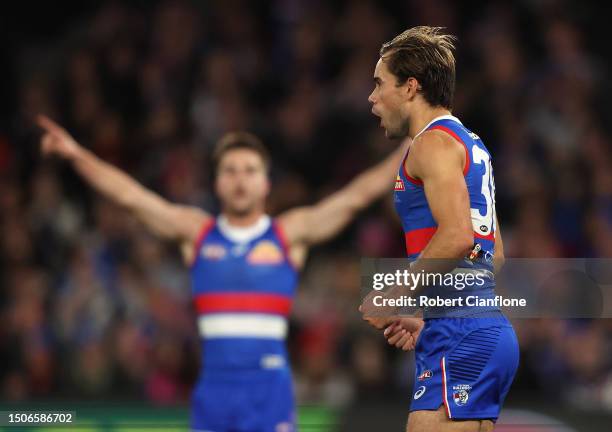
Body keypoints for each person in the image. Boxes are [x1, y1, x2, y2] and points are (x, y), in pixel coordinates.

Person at [38, 116, 403, 432]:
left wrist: (412, 146)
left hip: (269, 395)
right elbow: (130, 196)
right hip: (214, 393)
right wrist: (75, 154)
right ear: (217, 183)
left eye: (250, 171)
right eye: (230, 171)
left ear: (265, 183)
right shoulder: (196, 233)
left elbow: (357, 195)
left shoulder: (289, 234)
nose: (240, 180)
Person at [361, 26, 519, 431]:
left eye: (380, 84)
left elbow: (457, 237)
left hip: (461, 335)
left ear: (410, 87)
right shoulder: (470, 143)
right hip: (475, 326)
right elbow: (493, 255)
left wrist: (396, 295)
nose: (372, 97)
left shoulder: (431, 145)